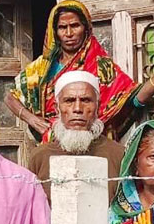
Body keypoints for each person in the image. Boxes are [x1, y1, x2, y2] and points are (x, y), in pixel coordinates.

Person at [6, 0, 154, 141]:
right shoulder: (42, 68)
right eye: (62, 27)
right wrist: (33, 120)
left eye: (75, 26)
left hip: (93, 145)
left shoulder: (101, 67)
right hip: (52, 145)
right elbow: (10, 97)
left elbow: (135, 99)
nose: (69, 33)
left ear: (86, 29)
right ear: (55, 32)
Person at [25, 70, 125, 202]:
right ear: (57, 108)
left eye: (86, 100)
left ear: (98, 107)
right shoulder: (39, 157)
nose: (77, 108)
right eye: (69, 101)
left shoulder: (119, 154)